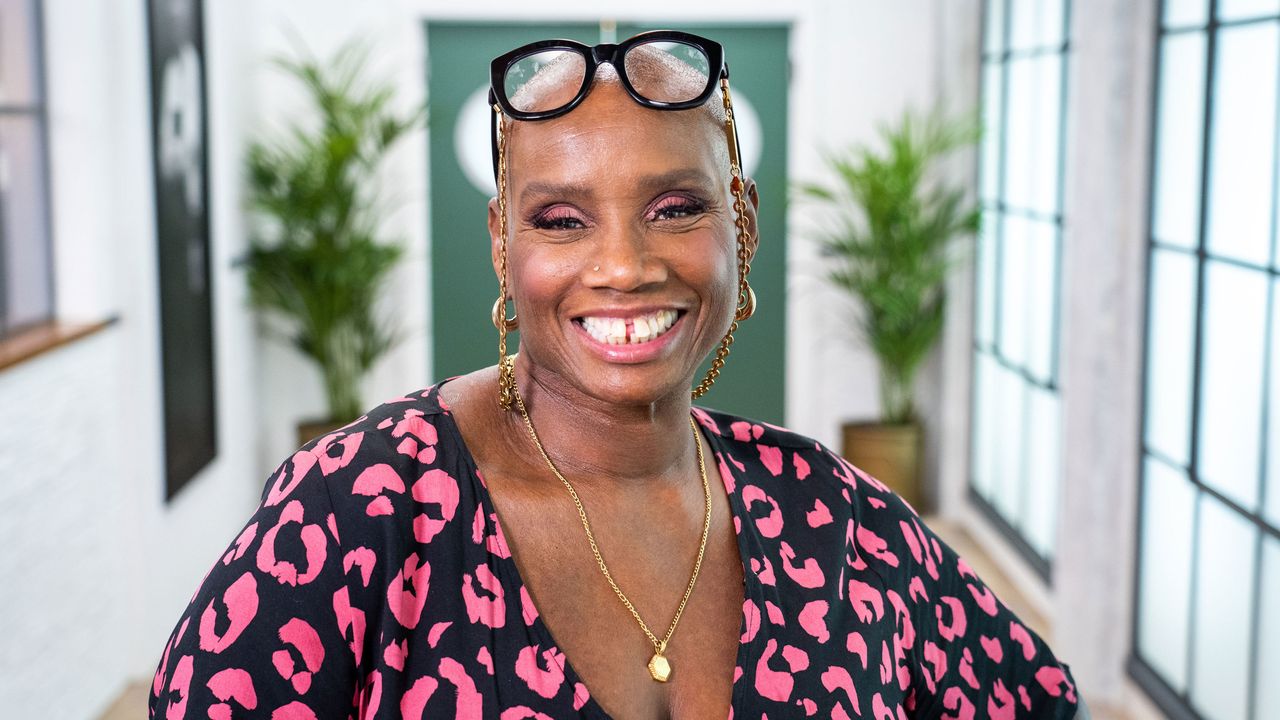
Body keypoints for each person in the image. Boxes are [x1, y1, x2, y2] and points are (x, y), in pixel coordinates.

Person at [149, 30, 1081, 719]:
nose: (625, 265)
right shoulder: (363, 508)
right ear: (503, 243)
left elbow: (1036, 699)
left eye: (676, 207)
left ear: (741, 222)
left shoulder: (837, 520)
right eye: (561, 219)